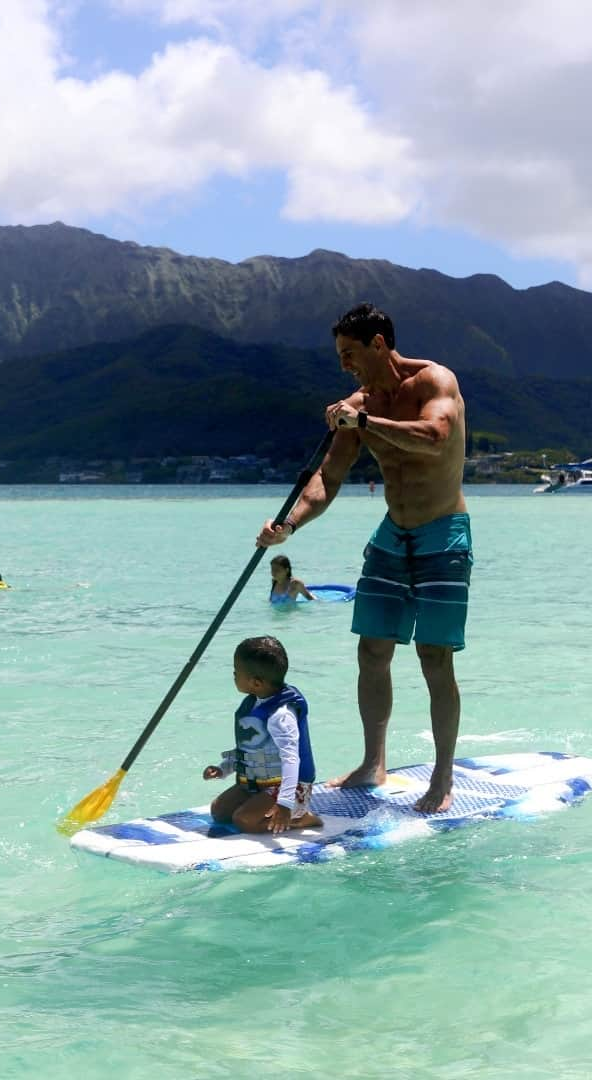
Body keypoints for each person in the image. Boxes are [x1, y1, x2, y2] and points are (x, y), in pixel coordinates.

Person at [257, 302, 471, 814]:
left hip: (444, 535)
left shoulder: (434, 381)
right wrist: (288, 524)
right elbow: (327, 479)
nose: (343, 365)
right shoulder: (358, 405)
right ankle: (374, 762)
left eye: (349, 353)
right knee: (371, 651)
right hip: (393, 534)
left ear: (380, 343)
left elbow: (435, 437)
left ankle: (442, 776)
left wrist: (365, 420)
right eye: (339, 355)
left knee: (432, 658)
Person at [202, 635, 322, 834]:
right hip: (257, 783)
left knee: (244, 820)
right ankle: (261, 802)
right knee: (219, 811)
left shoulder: (280, 716)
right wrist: (223, 769)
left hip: (290, 788)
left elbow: (291, 760)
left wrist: (284, 804)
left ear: (256, 683)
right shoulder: (254, 702)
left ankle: (300, 817)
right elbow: (252, 750)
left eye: (236, 672)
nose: (233, 675)